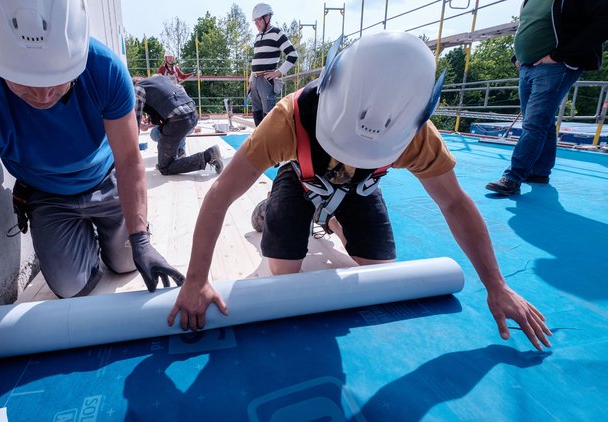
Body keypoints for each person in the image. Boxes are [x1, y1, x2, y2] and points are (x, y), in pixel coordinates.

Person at [167, 32, 552, 353]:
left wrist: (497, 286)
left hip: (358, 191)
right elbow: (220, 193)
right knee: (283, 276)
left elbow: (454, 203)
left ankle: (332, 217)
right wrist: (197, 279)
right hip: (301, 180)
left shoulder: (416, 132)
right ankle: (272, 210)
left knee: (379, 276)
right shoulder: (287, 118)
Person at [0, 1, 183, 420]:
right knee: (71, 287)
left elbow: (129, 161)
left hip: (107, 182)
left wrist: (140, 238)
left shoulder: (105, 69)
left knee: (128, 263)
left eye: (57, 82)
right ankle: (87, 242)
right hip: (48, 196)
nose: (41, 94)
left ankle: (116, 241)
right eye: (23, 82)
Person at [486, 0, 608, 196]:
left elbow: (603, 21)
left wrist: (560, 55)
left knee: (534, 124)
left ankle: (513, 177)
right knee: (542, 121)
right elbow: (529, 26)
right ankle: (540, 171)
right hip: (527, 66)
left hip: (555, 66)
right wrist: (517, 58)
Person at [134, 75, 224, 175]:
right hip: (192, 115)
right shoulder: (161, 79)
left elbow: (134, 122)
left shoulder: (137, 88)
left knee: (164, 168)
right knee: (160, 134)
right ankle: (175, 155)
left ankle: (208, 155)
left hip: (178, 122)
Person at [249, 3, 299, 126]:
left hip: (266, 80)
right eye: (254, 21)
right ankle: (259, 141)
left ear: (267, 18)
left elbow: (293, 54)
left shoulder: (277, 33)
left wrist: (278, 72)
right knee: (256, 111)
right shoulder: (257, 37)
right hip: (255, 80)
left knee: (268, 114)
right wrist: (250, 80)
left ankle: (269, 142)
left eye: (258, 20)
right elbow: (256, 60)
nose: (256, 24)